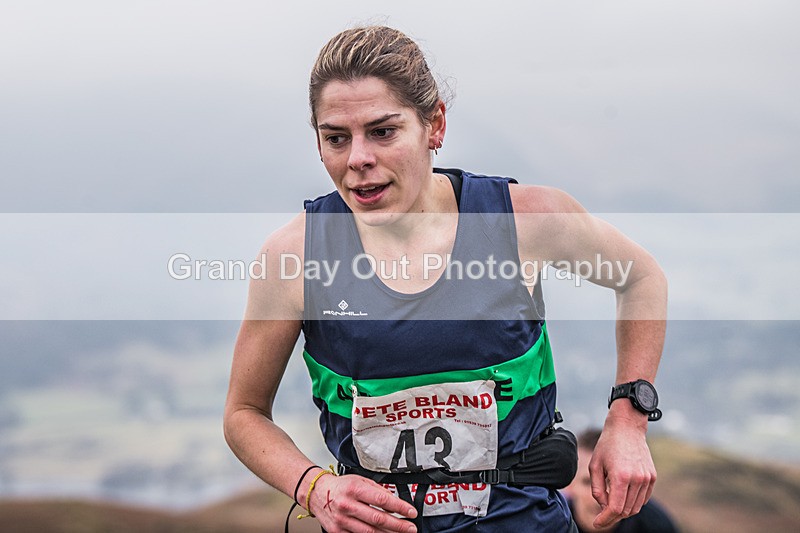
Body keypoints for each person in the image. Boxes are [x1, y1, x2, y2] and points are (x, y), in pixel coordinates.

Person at [223, 25, 667, 533]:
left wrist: (629, 419)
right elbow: (244, 413)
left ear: (434, 125)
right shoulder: (295, 257)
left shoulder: (523, 221)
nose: (358, 159)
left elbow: (641, 278)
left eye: (383, 131)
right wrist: (315, 488)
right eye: (336, 138)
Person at [564, 429, 678, 533]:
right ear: (569, 484)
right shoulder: (553, 523)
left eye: (612, 481)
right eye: (588, 482)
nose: (599, 495)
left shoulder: (656, 526)